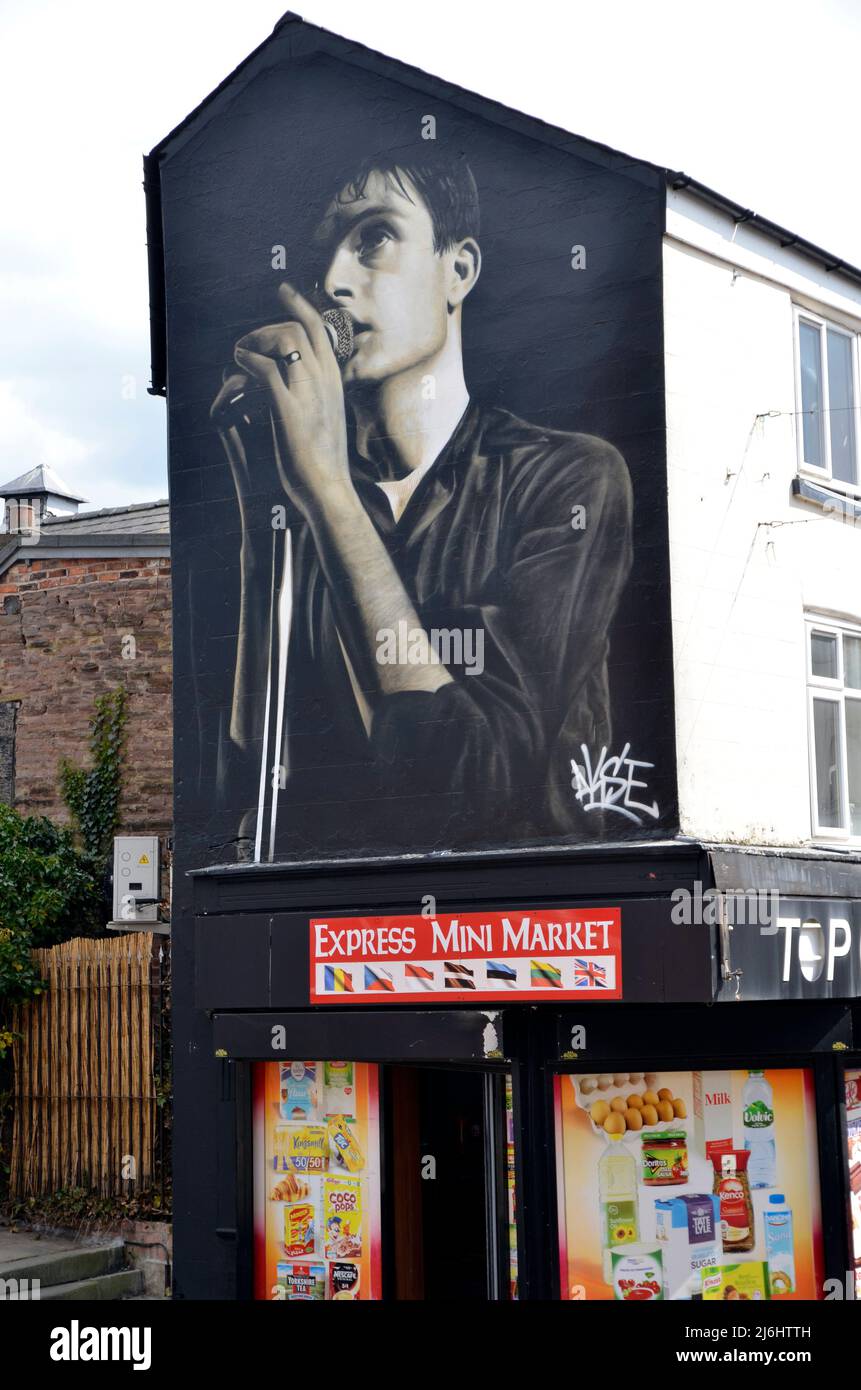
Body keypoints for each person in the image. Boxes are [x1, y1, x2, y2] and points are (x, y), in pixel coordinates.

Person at [211, 153, 633, 861]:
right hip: (332, 931)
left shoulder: (567, 479)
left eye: (373, 237)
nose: (335, 282)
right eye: (322, 260)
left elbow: (472, 789)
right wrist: (265, 532)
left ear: (458, 270)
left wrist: (328, 497)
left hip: (526, 932)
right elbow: (253, 798)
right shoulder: (313, 494)